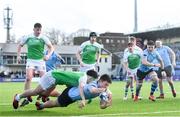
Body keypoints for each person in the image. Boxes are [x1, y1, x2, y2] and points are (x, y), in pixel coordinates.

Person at [13, 70, 98, 109]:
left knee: (46, 94)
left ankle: (43, 98)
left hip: (55, 80)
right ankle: (18, 97)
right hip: (52, 77)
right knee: (36, 91)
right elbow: (80, 88)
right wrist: (83, 100)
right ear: (91, 77)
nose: (91, 82)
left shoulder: (82, 75)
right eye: (92, 80)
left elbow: (69, 84)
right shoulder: (83, 78)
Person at [17, 23, 54, 104]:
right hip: (30, 60)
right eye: (37, 30)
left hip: (41, 61)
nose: (39, 31)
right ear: (33, 29)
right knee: (28, 78)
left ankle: (44, 96)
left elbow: (51, 47)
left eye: (40, 30)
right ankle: (27, 96)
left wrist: (48, 55)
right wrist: (18, 56)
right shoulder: (28, 37)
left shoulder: (43, 38)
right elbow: (20, 45)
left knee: (45, 79)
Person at [34, 74, 112, 110]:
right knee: (56, 103)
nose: (106, 87)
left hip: (72, 95)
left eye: (107, 86)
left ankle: (43, 96)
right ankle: (41, 105)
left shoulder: (103, 89)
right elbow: (92, 90)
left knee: (58, 98)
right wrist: (104, 90)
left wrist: (107, 103)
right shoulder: (94, 83)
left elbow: (102, 106)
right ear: (100, 81)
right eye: (105, 84)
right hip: (69, 94)